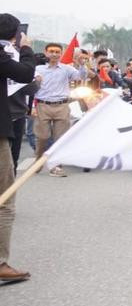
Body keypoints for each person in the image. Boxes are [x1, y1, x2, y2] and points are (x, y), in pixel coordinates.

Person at [0, 14, 35, 283]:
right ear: (15, 34)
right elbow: (25, 73)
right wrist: (26, 48)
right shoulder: (4, 54)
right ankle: (0, 262)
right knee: (5, 198)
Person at [32, 41, 88, 177]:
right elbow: (30, 87)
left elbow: (81, 76)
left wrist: (82, 65)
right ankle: (38, 162)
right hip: (42, 106)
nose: (54, 54)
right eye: (51, 51)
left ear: (61, 54)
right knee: (42, 137)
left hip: (62, 105)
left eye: (57, 52)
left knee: (60, 139)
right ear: (46, 52)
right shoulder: (38, 69)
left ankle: (56, 166)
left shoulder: (66, 69)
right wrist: (32, 106)